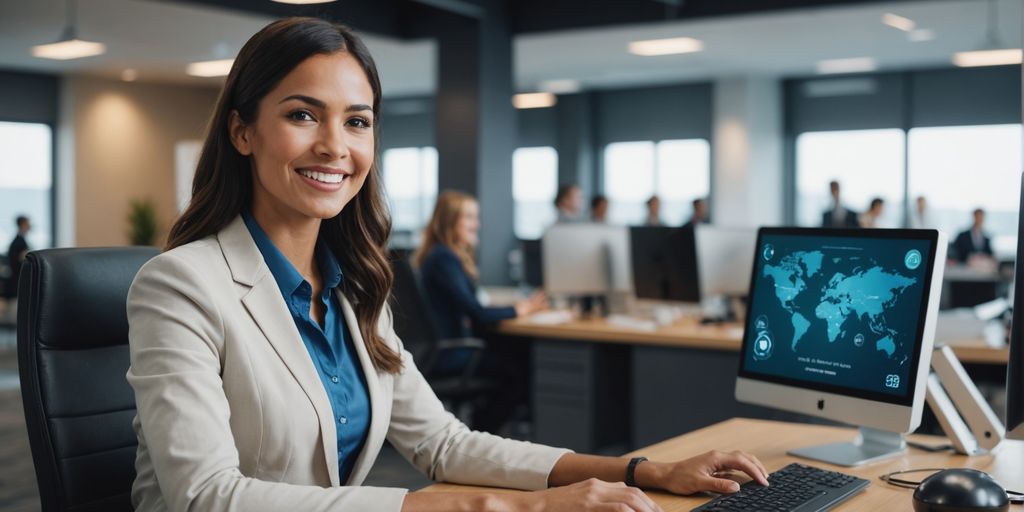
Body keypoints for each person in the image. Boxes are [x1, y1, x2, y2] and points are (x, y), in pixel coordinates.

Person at [126, 17, 768, 512]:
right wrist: (510, 506)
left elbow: (446, 446)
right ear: (243, 132)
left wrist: (639, 470)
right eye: (302, 115)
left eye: (357, 121)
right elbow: (206, 496)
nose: (334, 145)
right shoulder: (182, 284)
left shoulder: (355, 288)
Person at [415, 190, 547, 431]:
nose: (477, 224)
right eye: (469, 217)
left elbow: (471, 309)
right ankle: (482, 434)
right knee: (516, 370)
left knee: (513, 353)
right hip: (451, 353)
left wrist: (514, 309)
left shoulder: (441, 256)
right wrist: (520, 309)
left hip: (446, 347)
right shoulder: (443, 259)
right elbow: (478, 313)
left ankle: (487, 428)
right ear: (449, 222)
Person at [5, 215, 30, 300]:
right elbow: (21, 263)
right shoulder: (19, 242)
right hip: (17, 283)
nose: (29, 226)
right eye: (28, 223)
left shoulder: (18, 240)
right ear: (23, 224)